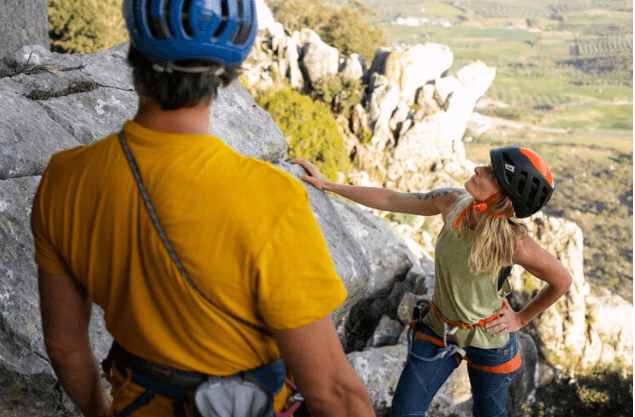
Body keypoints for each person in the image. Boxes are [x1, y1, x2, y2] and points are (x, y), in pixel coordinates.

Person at [31, 0, 375, 416]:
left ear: (134, 57)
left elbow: (65, 346)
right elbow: (334, 394)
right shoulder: (269, 196)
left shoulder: (64, 179)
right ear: (227, 77)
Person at [293, 146, 572, 417]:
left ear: (504, 198)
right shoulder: (452, 203)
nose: (478, 169)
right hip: (438, 326)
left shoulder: (513, 242)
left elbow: (561, 280)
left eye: (491, 174)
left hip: (489, 341)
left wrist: (521, 320)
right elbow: (392, 200)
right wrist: (329, 185)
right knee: (405, 410)